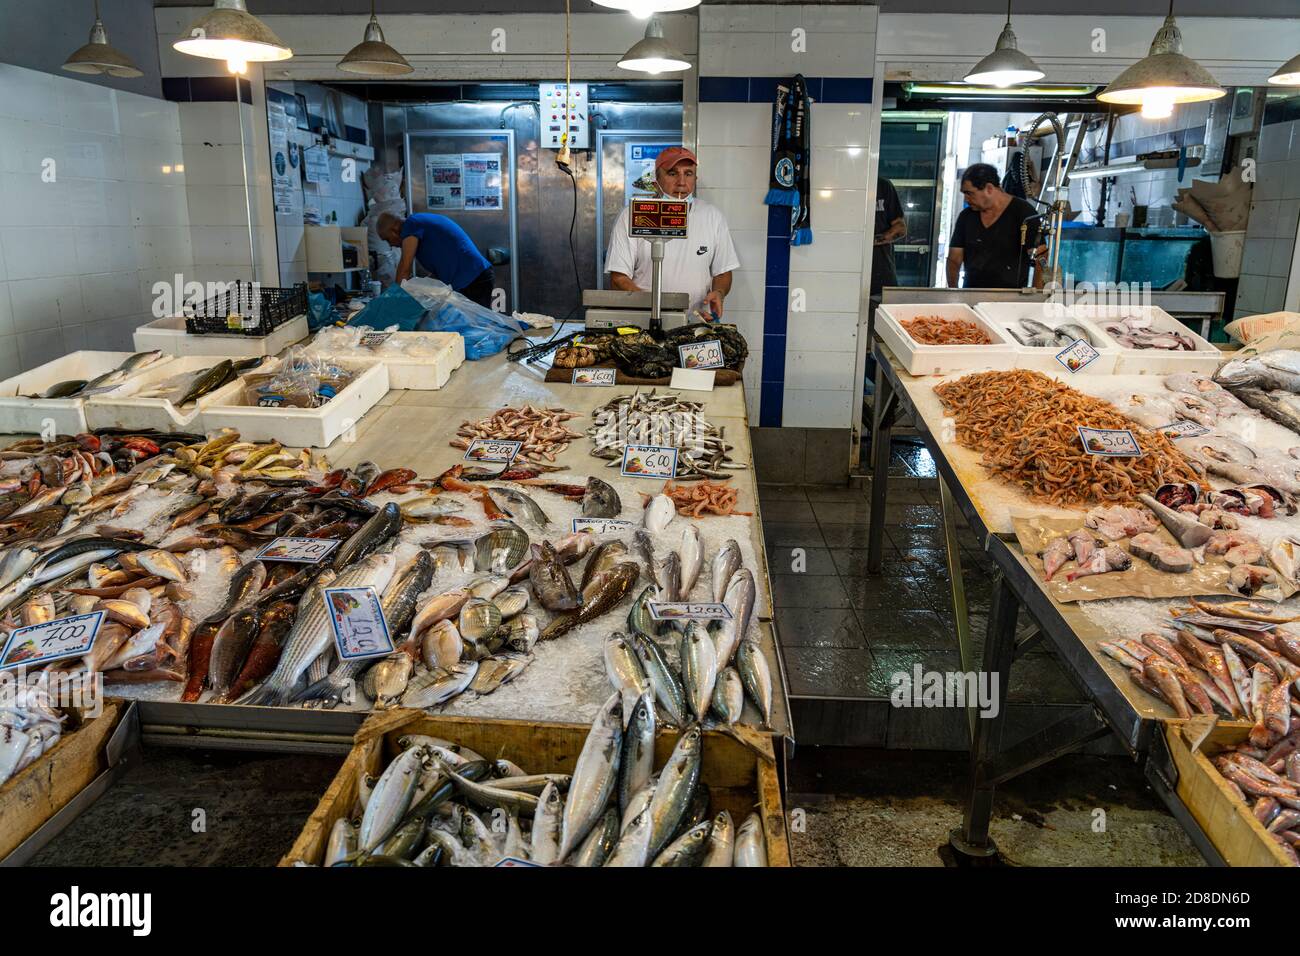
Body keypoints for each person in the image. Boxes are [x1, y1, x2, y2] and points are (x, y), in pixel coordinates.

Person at [605, 146, 740, 319]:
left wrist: (719, 292)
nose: (681, 182)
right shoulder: (634, 216)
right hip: (643, 321)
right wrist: (656, 311)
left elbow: (723, 272)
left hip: (694, 321)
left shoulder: (713, 217)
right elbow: (618, 278)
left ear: (695, 178)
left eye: (688, 174)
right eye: (672, 173)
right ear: (656, 179)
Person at [945, 163, 1045, 289]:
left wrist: (1037, 296)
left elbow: (1041, 258)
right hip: (971, 295)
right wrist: (953, 292)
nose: (966, 199)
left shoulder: (1023, 213)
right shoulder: (966, 217)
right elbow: (954, 259)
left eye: (969, 193)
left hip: (1010, 298)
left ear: (989, 189)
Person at [376, 212, 495, 308]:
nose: (391, 244)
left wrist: (393, 301)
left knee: (478, 329)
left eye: (387, 239)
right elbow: (439, 267)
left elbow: (405, 266)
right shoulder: (420, 225)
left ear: (394, 230)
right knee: (474, 327)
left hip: (473, 279)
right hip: (474, 278)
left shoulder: (411, 224)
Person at [871, 176, 907, 295]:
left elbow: (900, 228)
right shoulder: (839, 186)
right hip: (846, 274)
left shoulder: (882, 185)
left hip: (881, 276)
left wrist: (869, 241)